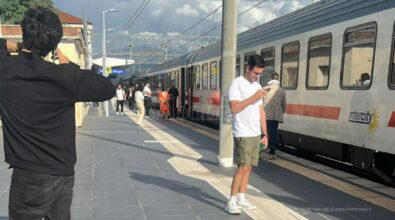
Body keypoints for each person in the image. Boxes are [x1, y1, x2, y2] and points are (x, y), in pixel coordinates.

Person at [0, 7, 115, 220]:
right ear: (55, 43)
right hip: (62, 174)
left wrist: (19, 47)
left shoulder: (5, 69)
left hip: (27, 175)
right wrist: (70, 66)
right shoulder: (65, 77)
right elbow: (107, 88)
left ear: (24, 34)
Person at [226, 54, 269, 214]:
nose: (257, 77)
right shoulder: (236, 84)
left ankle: (242, 198)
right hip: (242, 132)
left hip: (255, 133)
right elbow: (234, 108)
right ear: (248, 68)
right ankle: (231, 200)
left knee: (249, 167)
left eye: (260, 74)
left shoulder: (257, 87)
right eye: (255, 73)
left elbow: (261, 111)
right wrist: (254, 97)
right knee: (242, 167)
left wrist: (265, 134)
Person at [263, 72, 286, 159]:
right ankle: (272, 153)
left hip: (265, 115)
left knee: (264, 133)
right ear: (278, 79)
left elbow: (260, 104)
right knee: (273, 133)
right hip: (276, 116)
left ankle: (259, 150)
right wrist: (281, 112)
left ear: (270, 78)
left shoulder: (265, 88)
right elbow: (284, 104)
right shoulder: (282, 91)